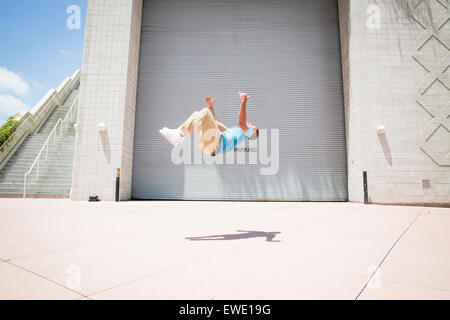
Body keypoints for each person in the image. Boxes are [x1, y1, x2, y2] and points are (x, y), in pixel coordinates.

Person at [159, 92, 259, 156]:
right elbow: (216, 123)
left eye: (253, 125)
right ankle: (179, 135)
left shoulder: (248, 133)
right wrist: (211, 107)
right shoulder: (234, 132)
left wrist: (243, 101)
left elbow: (242, 122)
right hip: (206, 147)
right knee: (197, 114)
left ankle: (179, 135)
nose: (250, 124)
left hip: (214, 144)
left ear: (253, 132)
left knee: (205, 112)